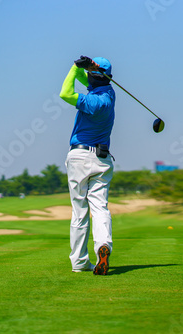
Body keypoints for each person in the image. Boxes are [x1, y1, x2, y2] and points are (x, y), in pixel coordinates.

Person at [59, 56, 116, 275]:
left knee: (79, 211)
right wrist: (89, 69)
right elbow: (92, 80)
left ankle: (80, 262)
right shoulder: (109, 93)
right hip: (102, 159)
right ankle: (104, 246)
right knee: (99, 207)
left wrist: (75, 67)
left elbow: (65, 93)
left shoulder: (92, 101)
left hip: (80, 157)